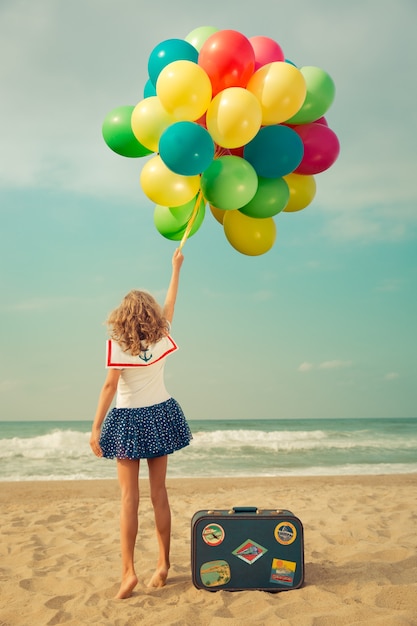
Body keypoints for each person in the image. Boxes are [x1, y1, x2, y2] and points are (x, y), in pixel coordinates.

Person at [90, 248, 192, 600]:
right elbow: (171, 301)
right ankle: (163, 564)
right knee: (159, 494)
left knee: (128, 499)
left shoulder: (118, 346)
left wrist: (95, 428)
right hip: (159, 414)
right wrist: (176, 268)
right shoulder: (162, 336)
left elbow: (109, 386)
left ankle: (128, 572)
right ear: (150, 315)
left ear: (121, 317)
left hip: (128, 419)